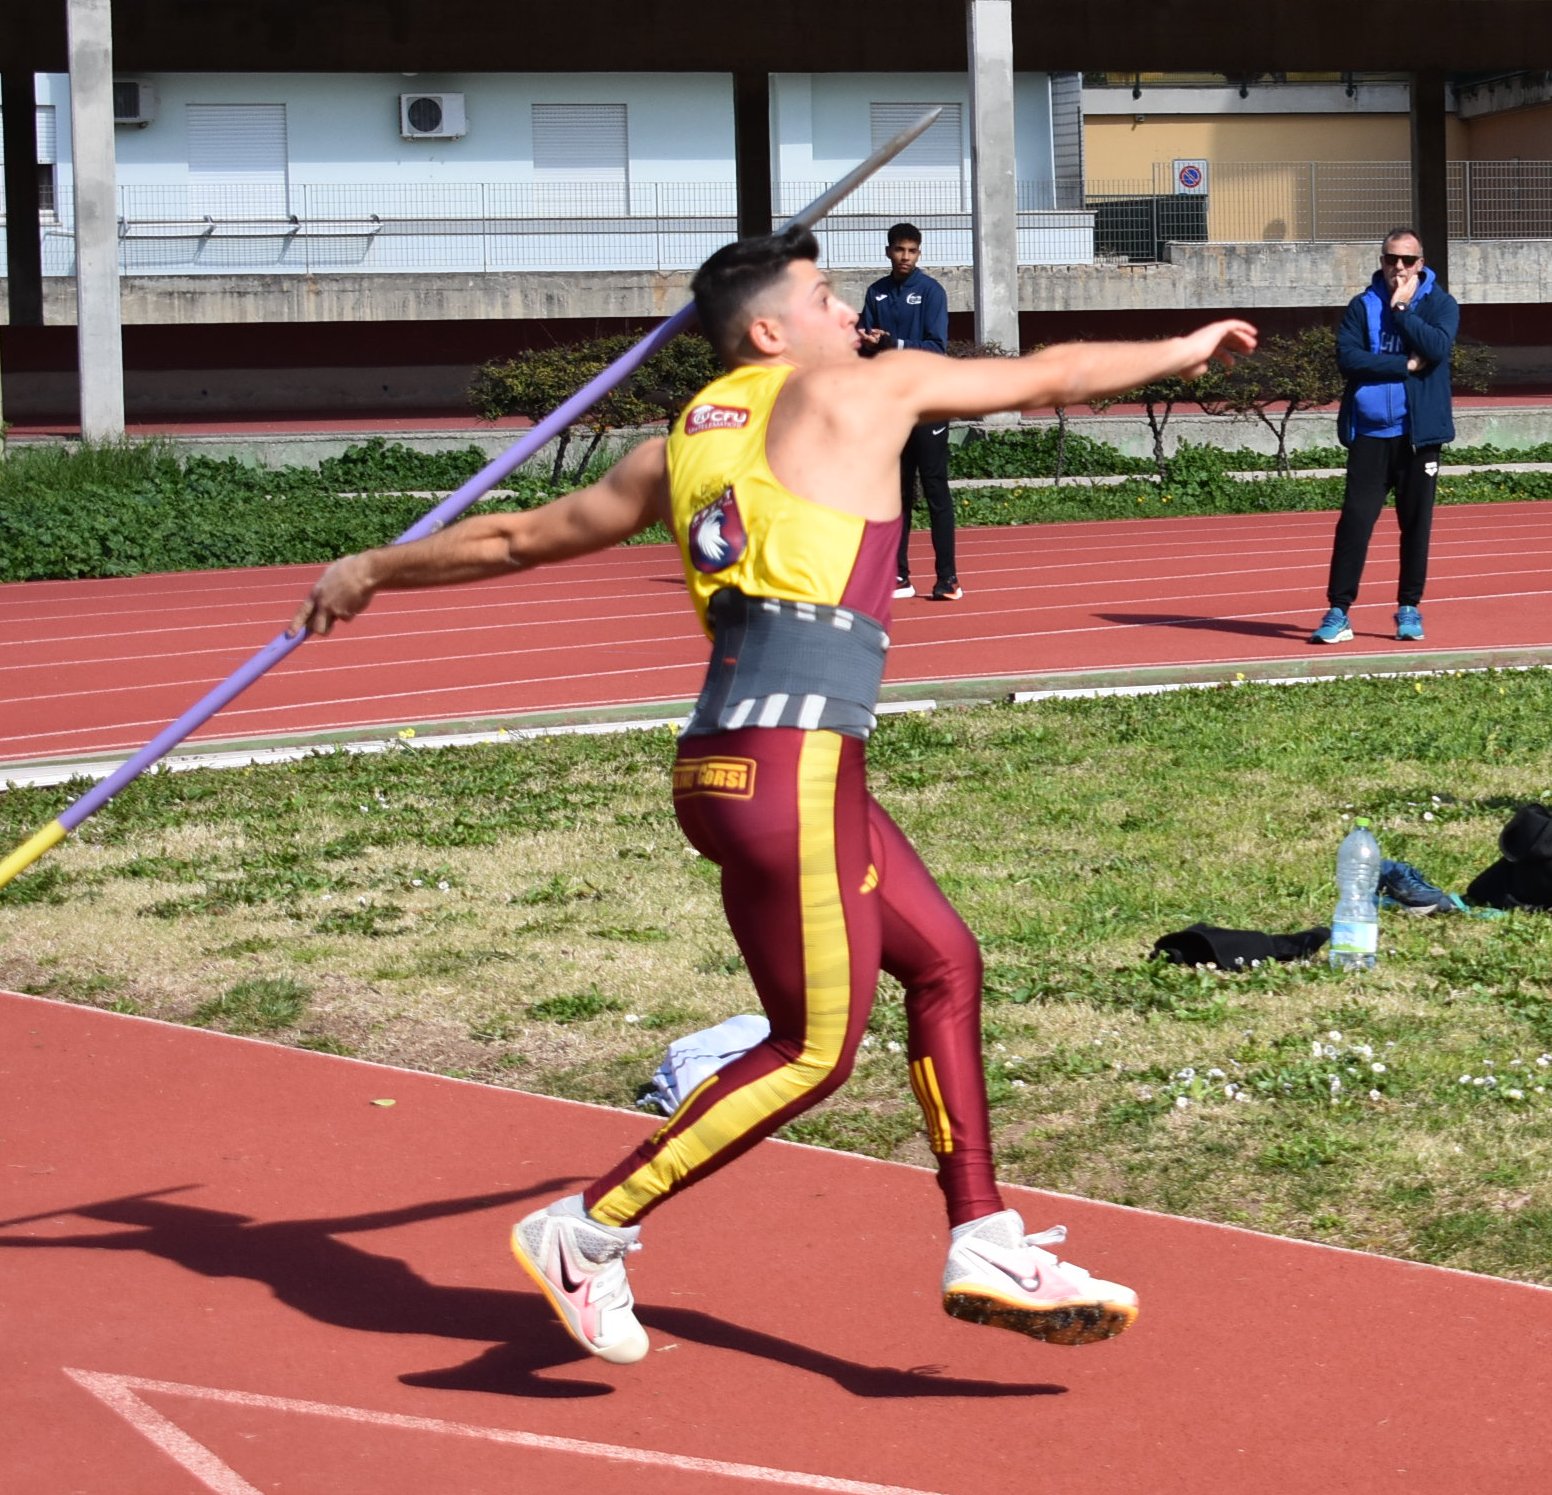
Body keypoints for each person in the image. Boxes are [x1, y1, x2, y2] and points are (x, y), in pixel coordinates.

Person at [291, 224, 1255, 1365]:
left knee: (944, 961)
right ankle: (587, 1230)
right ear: (768, 332)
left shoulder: (677, 446)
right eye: (825, 294)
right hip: (794, 770)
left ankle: (982, 1234)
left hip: (728, 765)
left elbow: (516, 539)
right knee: (811, 1052)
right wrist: (1184, 347)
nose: (850, 312)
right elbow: (1050, 375)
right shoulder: (860, 392)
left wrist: (369, 568)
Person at [1309, 227, 1459, 646]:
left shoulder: (1441, 304)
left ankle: (1409, 608)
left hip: (1418, 437)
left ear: (1420, 264)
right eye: (1392, 259)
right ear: (1382, 261)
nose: (1399, 267)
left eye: (1408, 260)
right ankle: (1339, 611)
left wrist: (1404, 311)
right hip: (1370, 435)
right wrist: (1403, 366)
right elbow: (1348, 359)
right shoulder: (1363, 305)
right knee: (1354, 523)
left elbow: (1437, 348)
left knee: (1415, 526)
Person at [859, 222, 960, 602]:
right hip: (892, 408)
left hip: (928, 403)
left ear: (919, 253)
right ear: (888, 251)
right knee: (897, 495)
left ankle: (948, 579)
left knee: (935, 490)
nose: (905, 257)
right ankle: (900, 576)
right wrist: (866, 342)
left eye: (912, 251)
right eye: (899, 250)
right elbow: (865, 344)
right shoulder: (876, 292)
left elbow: (936, 347)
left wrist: (894, 343)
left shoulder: (931, 292)